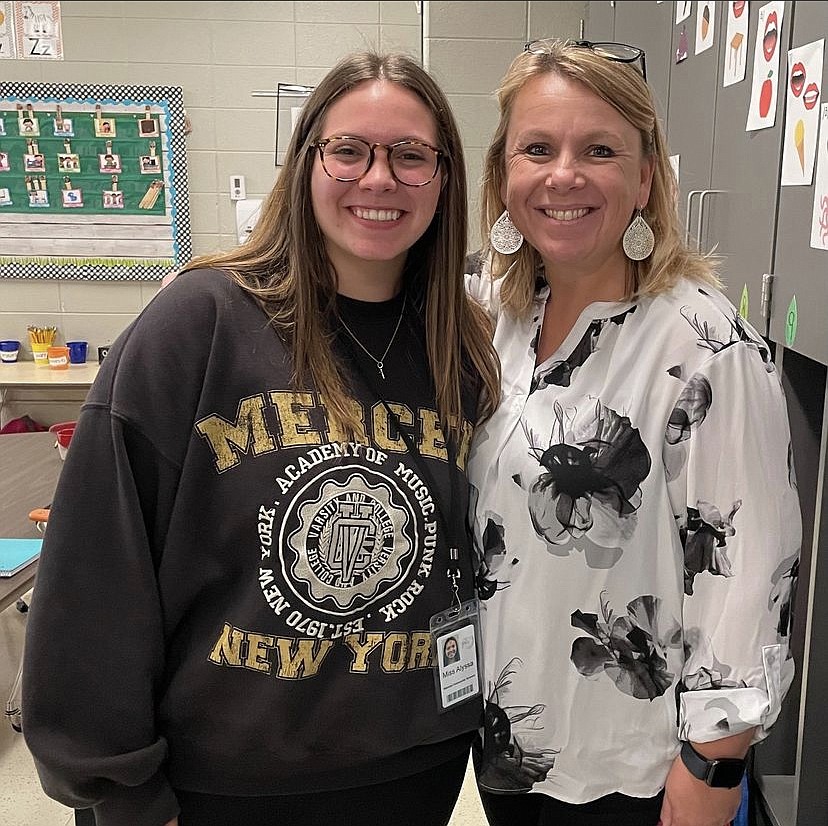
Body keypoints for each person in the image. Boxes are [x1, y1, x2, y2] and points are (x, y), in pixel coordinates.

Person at [22, 51, 499, 826]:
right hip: (220, 786)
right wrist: (119, 790)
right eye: (349, 150)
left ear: (443, 180)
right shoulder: (200, 324)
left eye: (411, 156)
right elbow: (96, 573)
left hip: (413, 773)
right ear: (306, 162)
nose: (379, 178)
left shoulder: (460, 348)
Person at [465, 38, 801, 826]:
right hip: (512, 750)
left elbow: (749, 573)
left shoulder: (704, 347)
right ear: (503, 177)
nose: (563, 175)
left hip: (634, 773)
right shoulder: (499, 322)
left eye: (600, 150)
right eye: (537, 149)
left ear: (647, 177)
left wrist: (711, 771)